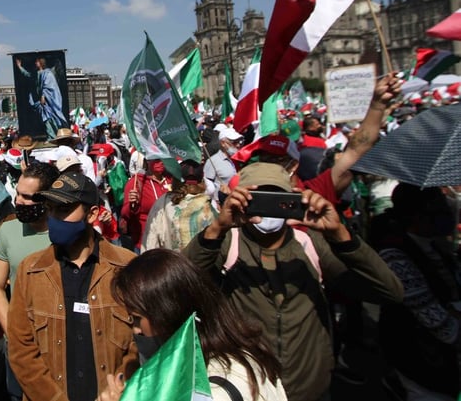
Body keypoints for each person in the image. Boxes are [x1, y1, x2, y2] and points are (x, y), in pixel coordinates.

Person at [185, 162, 403, 401]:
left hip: (309, 389)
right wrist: (216, 229)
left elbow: (390, 291)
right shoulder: (227, 244)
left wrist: (341, 235)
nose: (268, 209)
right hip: (251, 389)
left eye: (278, 199)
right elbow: (178, 286)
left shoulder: (310, 244)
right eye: (256, 199)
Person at [7, 172, 138, 401]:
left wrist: (119, 386)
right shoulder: (31, 271)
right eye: (51, 209)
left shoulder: (126, 267)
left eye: (64, 209)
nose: (54, 218)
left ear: (92, 214)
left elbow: (140, 342)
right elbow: (21, 350)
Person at [101, 249, 287, 401]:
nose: (136, 330)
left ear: (167, 314)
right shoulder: (234, 354)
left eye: (136, 319)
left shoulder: (214, 391)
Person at [372, 183, 461, 400]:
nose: (449, 215)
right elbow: (434, 319)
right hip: (421, 358)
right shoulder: (395, 255)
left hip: (442, 357)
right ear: (417, 216)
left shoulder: (436, 246)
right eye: (440, 209)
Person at [0, 162, 59, 401]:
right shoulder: (8, 231)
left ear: (47, 199)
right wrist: (14, 333)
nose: (18, 200)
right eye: (17, 193)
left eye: (27, 197)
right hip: (20, 346)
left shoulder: (66, 233)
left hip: (58, 343)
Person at [141, 160, 216, 252]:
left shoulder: (164, 203)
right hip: (201, 264)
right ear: (202, 181)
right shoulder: (209, 205)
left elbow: (151, 240)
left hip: (171, 263)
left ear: (175, 179)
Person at [119, 159, 171, 251]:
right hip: (147, 242)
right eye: (156, 159)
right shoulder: (137, 182)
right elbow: (125, 214)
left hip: (170, 241)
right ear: (147, 160)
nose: (161, 162)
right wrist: (132, 205)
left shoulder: (171, 180)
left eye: (163, 158)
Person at [16, 57, 67, 140]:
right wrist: (20, 67)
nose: (35, 63)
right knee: (46, 118)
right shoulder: (37, 73)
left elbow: (48, 86)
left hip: (48, 101)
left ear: (41, 63)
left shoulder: (48, 73)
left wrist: (43, 95)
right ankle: (51, 135)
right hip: (41, 101)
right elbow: (28, 75)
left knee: (48, 118)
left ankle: (52, 136)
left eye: (37, 62)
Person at [203, 126, 243, 194]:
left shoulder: (239, 160)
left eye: (240, 142)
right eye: (234, 142)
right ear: (223, 143)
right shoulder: (212, 161)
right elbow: (206, 187)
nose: (238, 145)